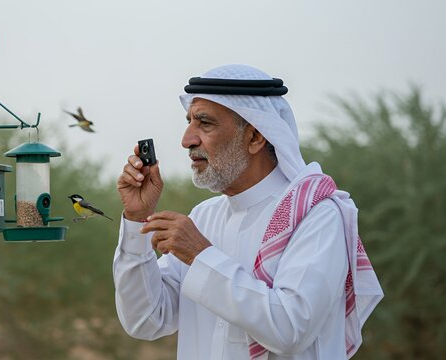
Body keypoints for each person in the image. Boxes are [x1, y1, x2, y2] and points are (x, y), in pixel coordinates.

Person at [113, 64, 383, 359]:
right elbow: (146, 319)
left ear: (255, 137)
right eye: (189, 122)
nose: (186, 139)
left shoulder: (317, 215)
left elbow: (290, 330)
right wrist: (136, 222)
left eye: (204, 123)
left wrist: (201, 256)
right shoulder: (205, 217)